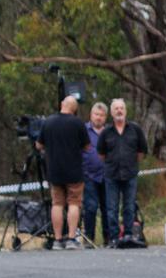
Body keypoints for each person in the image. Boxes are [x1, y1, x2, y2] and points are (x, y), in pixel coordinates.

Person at [35, 96, 89, 250]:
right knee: (74, 203)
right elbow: (86, 147)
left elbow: (39, 145)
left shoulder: (48, 122)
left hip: (54, 170)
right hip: (74, 170)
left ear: (61, 105)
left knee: (57, 204)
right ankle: (71, 238)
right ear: (74, 109)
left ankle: (58, 240)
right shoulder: (77, 123)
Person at [97, 98, 148, 246]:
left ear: (125, 111)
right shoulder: (106, 132)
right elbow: (101, 153)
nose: (119, 111)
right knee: (111, 207)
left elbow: (141, 151)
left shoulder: (135, 129)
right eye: (116, 109)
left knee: (129, 206)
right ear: (111, 113)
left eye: (121, 108)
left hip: (130, 173)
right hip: (111, 174)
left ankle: (128, 234)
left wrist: (130, 163)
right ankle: (113, 237)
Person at [82, 102, 110, 244]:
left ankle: (109, 238)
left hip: (107, 176)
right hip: (89, 176)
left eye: (101, 115)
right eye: (96, 114)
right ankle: (89, 239)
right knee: (91, 207)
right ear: (91, 115)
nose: (98, 118)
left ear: (105, 117)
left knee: (107, 208)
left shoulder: (109, 132)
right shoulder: (83, 130)